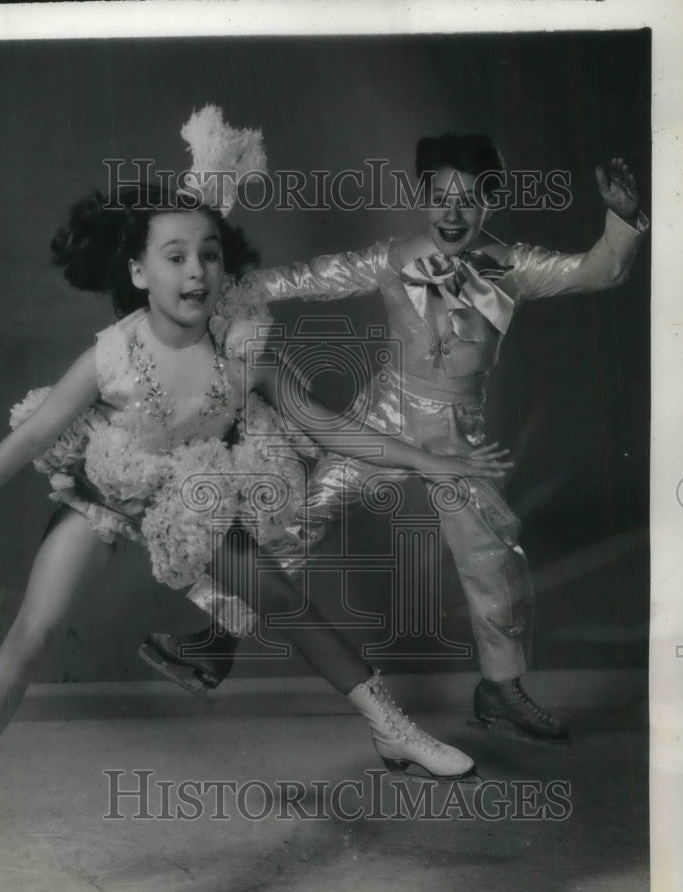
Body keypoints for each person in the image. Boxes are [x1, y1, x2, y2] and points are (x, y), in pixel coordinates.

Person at [0, 175, 514, 876]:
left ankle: (391, 729)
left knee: (280, 596)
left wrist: (431, 464)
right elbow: (27, 440)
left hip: (189, 502)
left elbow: (333, 430)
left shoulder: (244, 354)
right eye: (176, 256)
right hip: (107, 494)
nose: (196, 271)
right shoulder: (110, 356)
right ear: (138, 272)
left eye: (210, 255)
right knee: (32, 635)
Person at [141, 135, 647, 748]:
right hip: (383, 416)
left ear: (491, 201)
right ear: (421, 198)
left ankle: (502, 687)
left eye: (468, 199)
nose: (452, 213)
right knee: (299, 511)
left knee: (491, 555)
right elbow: (312, 276)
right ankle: (216, 643)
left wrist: (621, 219)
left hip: (459, 434)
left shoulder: (514, 267)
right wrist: (230, 285)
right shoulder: (392, 258)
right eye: (439, 198)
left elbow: (599, 270)